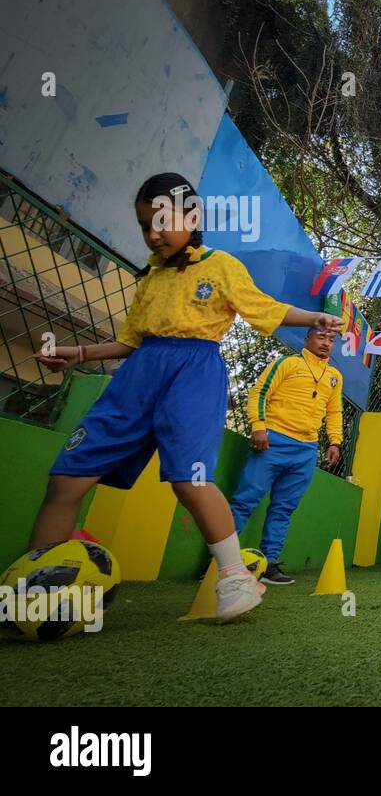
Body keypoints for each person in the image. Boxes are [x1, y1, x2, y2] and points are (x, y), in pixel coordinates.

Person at [28, 173, 342, 622]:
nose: (152, 233)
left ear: (192, 217)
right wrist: (77, 353)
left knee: (189, 480)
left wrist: (312, 316)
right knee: (67, 477)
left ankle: (234, 578)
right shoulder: (151, 277)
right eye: (144, 225)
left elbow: (265, 308)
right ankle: (36, 584)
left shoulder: (221, 266)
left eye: (160, 220)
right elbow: (130, 341)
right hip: (138, 377)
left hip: (193, 375)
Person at [227, 324, 346, 584]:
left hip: (306, 449)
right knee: (245, 500)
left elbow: (334, 411)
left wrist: (335, 442)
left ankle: (269, 564)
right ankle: (219, 563)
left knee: (284, 509)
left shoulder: (335, 376)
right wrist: (258, 426)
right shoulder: (287, 364)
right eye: (321, 337)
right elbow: (259, 392)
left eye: (331, 339)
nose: (326, 343)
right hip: (273, 440)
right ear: (307, 339)